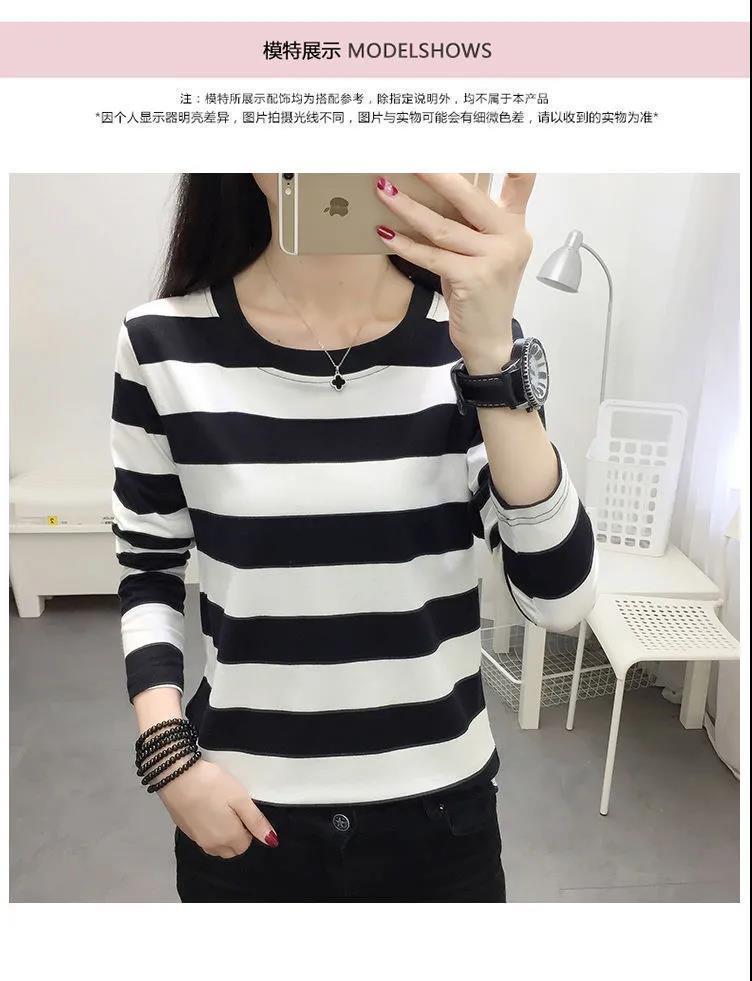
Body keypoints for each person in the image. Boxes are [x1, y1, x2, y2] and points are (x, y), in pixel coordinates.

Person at [109, 172, 598, 902]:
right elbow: (148, 568)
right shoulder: (160, 344)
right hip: (244, 810)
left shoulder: (470, 343)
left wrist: (492, 357)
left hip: (442, 817)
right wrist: (169, 760)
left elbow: (559, 598)